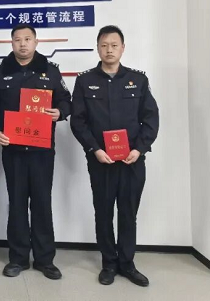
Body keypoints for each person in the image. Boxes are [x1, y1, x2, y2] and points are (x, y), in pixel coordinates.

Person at [70, 25, 159, 287]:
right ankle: (109, 263)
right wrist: (94, 149)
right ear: (97, 48)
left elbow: (150, 118)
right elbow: (78, 121)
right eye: (104, 45)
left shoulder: (138, 80)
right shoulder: (85, 81)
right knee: (103, 212)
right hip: (101, 161)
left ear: (123, 48)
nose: (109, 50)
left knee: (128, 212)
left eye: (114, 45)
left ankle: (127, 263)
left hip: (132, 160)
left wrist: (139, 149)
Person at [0, 24, 71, 280]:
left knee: (42, 203)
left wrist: (60, 112)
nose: (22, 44)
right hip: (13, 150)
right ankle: (18, 258)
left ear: (36, 42)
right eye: (17, 40)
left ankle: (45, 260)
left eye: (27, 39)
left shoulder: (50, 71)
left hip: (41, 149)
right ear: (11, 43)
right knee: (17, 202)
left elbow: (66, 100)